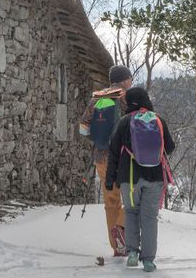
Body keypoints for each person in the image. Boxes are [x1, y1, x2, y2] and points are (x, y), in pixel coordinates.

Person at [106, 87, 175, 273]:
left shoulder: (124, 122)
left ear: (129, 102)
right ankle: (149, 261)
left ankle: (132, 254)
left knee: (131, 213)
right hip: (155, 178)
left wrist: (110, 179)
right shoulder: (158, 120)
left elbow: (112, 152)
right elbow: (170, 147)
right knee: (149, 218)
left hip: (129, 179)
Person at [78, 64, 133, 257]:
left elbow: (83, 129)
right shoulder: (125, 97)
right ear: (125, 80)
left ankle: (117, 247)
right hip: (123, 158)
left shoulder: (97, 98)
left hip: (101, 157)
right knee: (134, 198)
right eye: (130, 78)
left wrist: (99, 140)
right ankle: (121, 227)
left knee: (111, 201)